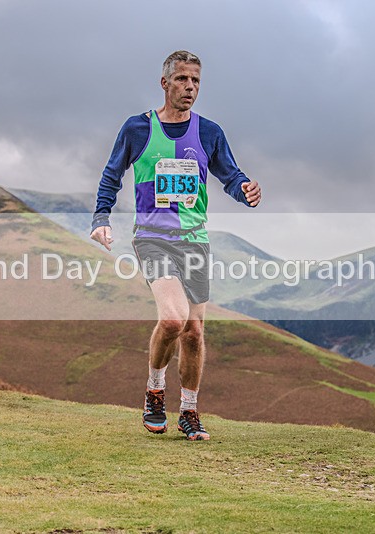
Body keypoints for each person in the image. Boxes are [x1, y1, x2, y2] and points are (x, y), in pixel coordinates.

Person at [90, 51, 261, 441]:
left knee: (194, 332)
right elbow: (111, 175)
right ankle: (154, 390)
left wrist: (245, 190)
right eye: (182, 79)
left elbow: (231, 176)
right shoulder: (137, 129)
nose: (190, 87)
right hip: (153, 239)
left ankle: (189, 411)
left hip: (194, 241)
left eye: (196, 80)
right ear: (164, 83)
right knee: (172, 320)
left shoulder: (209, 133)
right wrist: (101, 218)